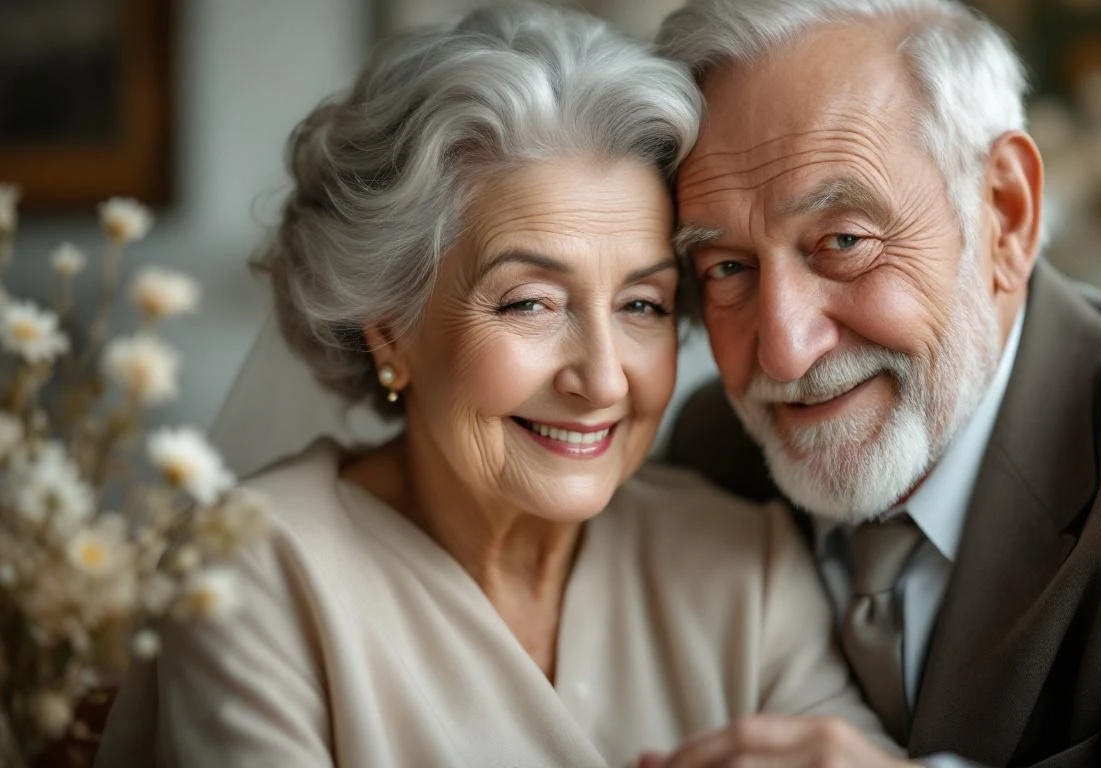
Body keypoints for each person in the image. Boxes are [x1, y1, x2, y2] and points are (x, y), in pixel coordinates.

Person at [93, 6, 898, 767]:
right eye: (531, 303)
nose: (603, 377)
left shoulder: (746, 572)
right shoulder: (253, 574)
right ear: (390, 329)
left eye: (642, 305)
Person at [650, 0, 1101, 766]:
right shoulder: (714, 453)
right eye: (727, 269)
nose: (783, 353)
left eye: (844, 241)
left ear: (1005, 214)